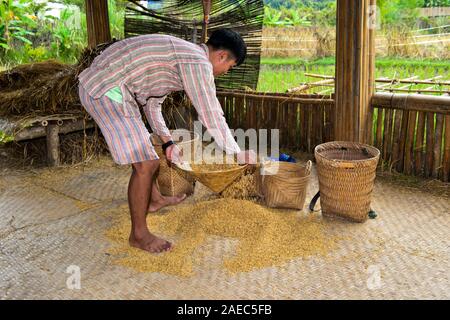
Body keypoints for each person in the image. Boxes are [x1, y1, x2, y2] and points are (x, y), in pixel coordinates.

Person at [78, 29, 256, 253]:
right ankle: (139, 235)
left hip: (114, 85)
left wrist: (168, 143)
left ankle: (153, 201)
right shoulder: (197, 61)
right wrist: (236, 152)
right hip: (107, 88)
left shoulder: (182, 58)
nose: (225, 72)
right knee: (146, 163)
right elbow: (209, 111)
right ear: (221, 56)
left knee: (147, 155)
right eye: (229, 67)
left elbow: (152, 103)